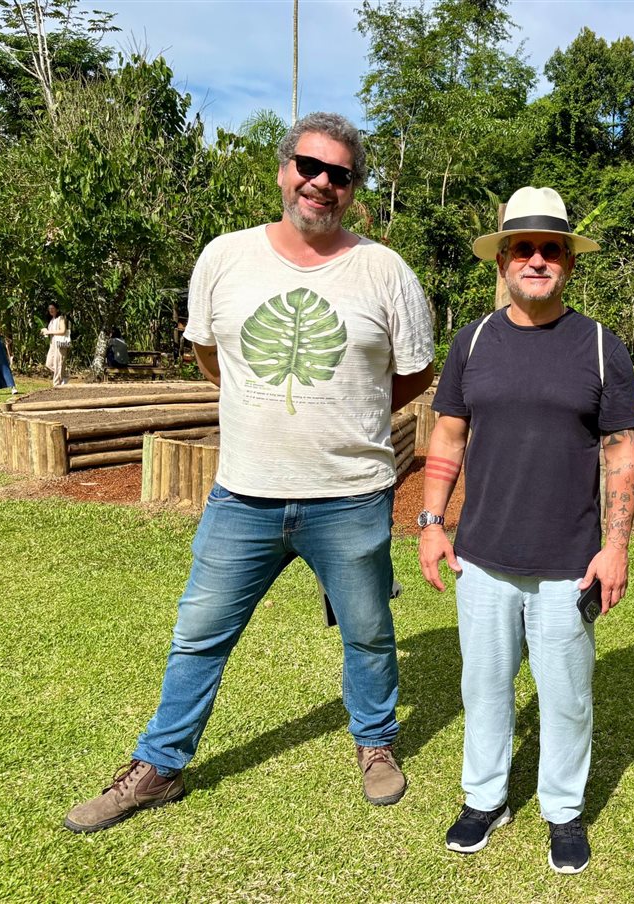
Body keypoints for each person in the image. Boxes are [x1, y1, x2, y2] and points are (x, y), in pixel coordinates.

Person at [64, 112, 435, 834]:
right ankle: (160, 766)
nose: (321, 182)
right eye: (309, 165)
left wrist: (351, 411)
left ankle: (376, 744)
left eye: (340, 174)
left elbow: (414, 372)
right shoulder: (225, 257)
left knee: (367, 632)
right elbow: (212, 358)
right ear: (282, 170)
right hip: (244, 494)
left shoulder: (383, 269)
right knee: (199, 634)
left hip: (349, 496)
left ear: (353, 189)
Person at [418, 186, 634, 874]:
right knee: (483, 690)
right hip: (482, 557)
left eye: (551, 249)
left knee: (567, 697)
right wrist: (430, 522)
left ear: (569, 262)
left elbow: (622, 451)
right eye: (525, 248)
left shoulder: (601, 348)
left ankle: (563, 811)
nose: (537, 259)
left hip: (568, 564)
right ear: (505, 261)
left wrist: (616, 545)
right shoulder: (474, 341)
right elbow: (448, 435)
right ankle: (484, 799)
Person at [40, 303, 71, 387]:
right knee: (49, 363)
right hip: (52, 344)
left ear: (57, 309)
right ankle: (64, 376)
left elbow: (63, 331)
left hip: (60, 344)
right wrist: (45, 330)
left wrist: (49, 332)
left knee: (58, 363)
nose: (51, 310)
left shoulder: (60, 318)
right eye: (49, 308)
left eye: (52, 308)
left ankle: (56, 383)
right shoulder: (51, 320)